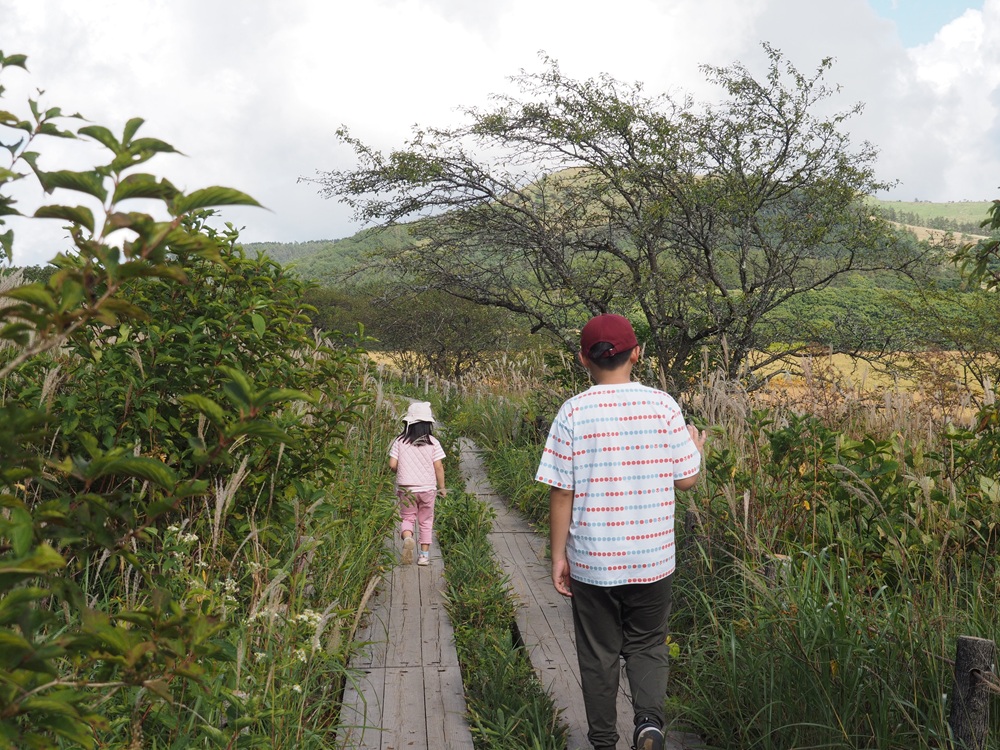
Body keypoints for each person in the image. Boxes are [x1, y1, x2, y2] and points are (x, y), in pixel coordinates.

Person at [535, 314, 707, 750]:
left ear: (582, 360)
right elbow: (685, 479)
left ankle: (603, 740)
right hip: (652, 558)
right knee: (648, 644)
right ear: (638, 353)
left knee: (598, 654)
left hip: (594, 560)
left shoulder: (573, 411)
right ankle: (648, 724)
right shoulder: (663, 405)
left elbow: (561, 492)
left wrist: (559, 556)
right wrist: (698, 451)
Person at [389, 401, 446, 567]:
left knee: (407, 518)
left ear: (408, 423)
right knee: (426, 522)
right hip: (428, 489)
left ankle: (407, 538)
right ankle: (424, 556)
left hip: (406, 489)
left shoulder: (399, 441)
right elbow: (439, 467)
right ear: (428, 424)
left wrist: (401, 471)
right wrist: (442, 488)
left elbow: (392, 464)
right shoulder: (433, 442)